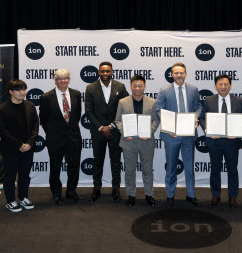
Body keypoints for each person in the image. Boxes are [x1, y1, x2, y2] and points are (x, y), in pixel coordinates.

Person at [156, 62, 202, 208]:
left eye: (181, 72)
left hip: (188, 134)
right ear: (172, 74)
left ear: (185, 74)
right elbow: (159, 111)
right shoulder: (164, 91)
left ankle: (191, 194)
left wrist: (196, 117)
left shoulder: (193, 89)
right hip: (171, 136)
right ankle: (170, 195)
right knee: (171, 167)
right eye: (176, 73)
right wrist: (169, 128)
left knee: (189, 166)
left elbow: (198, 107)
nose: (179, 75)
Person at [200, 74, 242, 208]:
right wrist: (208, 130)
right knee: (215, 169)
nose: (223, 86)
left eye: (226, 84)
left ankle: (232, 196)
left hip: (232, 142)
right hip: (214, 141)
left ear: (230, 86)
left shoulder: (238, 101)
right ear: (215, 86)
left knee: (232, 169)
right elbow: (202, 118)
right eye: (220, 84)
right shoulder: (209, 100)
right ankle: (216, 195)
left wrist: (237, 133)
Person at [85, 61, 129, 202]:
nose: (105, 73)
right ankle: (96, 188)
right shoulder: (90, 88)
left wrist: (111, 126)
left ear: (112, 72)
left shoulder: (120, 87)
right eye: (102, 71)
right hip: (97, 132)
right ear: (99, 72)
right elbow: (89, 111)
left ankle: (116, 189)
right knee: (97, 161)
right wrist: (101, 127)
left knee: (115, 161)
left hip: (115, 131)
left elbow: (125, 108)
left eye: (107, 71)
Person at [0, 79, 39, 212]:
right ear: (11, 92)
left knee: (25, 175)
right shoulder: (2, 108)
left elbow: (35, 126)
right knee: (10, 176)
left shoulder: (30, 105)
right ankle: (10, 201)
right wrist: (19, 144)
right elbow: (2, 131)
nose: (22, 92)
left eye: (24, 89)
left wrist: (29, 143)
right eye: (18, 90)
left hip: (28, 148)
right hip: (10, 149)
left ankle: (23, 197)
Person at [39, 69, 83, 204]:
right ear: (55, 80)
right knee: (55, 167)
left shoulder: (76, 94)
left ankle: (71, 191)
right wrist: (52, 133)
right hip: (55, 139)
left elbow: (77, 116)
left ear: (69, 79)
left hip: (73, 137)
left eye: (65, 78)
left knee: (74, 166)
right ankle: (56, 193)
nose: (63, 81)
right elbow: (43, 119)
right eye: (59, 78)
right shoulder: (46, 97)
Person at [115, 75, 159, 207]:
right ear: (131, 86)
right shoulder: (123, 102)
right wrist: (124, 133)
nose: (137, 88)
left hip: (146, 141)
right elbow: (118, 120)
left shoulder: (152, 102)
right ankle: (131, 195)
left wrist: (149, 132)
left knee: (147, 170)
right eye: (135, 86)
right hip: (129, 142)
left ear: (144, 86)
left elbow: (156, 120)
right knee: (129, 171)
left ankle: (149, 194)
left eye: (140, 86)